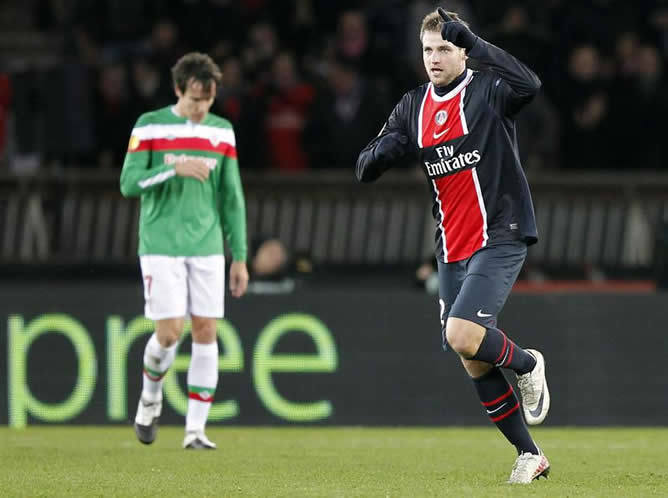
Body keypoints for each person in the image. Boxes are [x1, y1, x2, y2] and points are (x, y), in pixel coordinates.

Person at [356, 8, 550, 484]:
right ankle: (530, 454)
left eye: (445, 47)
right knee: (470, 354)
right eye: (428, 49)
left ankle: (528, 363)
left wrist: (481, 45)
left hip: (500, 232)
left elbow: (531, 86)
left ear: (462, 49)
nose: (435, 58)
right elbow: (364, 164)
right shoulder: (412, 106)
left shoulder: (487, 89)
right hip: (452, 246)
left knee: (461, 333)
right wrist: (384, 153)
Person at [120, 52, 249, 449]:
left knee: (207, 330)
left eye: (207, 101)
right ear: (178, 89)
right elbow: (128, 183)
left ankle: (195, 430)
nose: (200, 108)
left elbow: (232, 197)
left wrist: (239, 255)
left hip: (207, 246)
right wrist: (172, 168)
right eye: (194, 99)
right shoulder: (150, 125)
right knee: (169, 333)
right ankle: (150, 397)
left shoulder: (222, 132)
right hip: (161, 244)